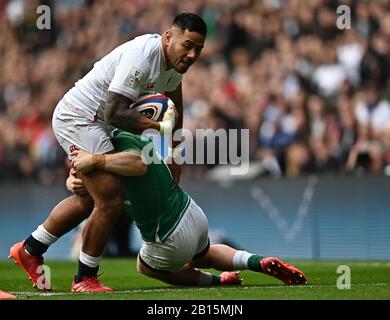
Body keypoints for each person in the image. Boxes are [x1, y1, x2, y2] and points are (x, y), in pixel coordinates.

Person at [9, 13, 207, 292]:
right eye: (187, 45)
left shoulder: (174, 67)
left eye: (198, 48)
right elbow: (115, 114)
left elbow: (177, 109)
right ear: (168, 37)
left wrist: (175, 153)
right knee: (111, 199)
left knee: (90, 197)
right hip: (80, 119)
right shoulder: (142, 57)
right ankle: (84, 278)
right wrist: (157, 126)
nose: (192, 54)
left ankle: (31, 248)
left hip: (97, 124)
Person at [67, 129, 308, 288]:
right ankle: (258, 262)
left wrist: (90, 164)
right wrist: (75, 178)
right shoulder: (137, 139)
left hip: (167, 235)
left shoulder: (108, 153)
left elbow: (127, 169)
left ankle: (217, 282)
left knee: (144, 266)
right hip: (192, 213)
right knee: (206, 255)